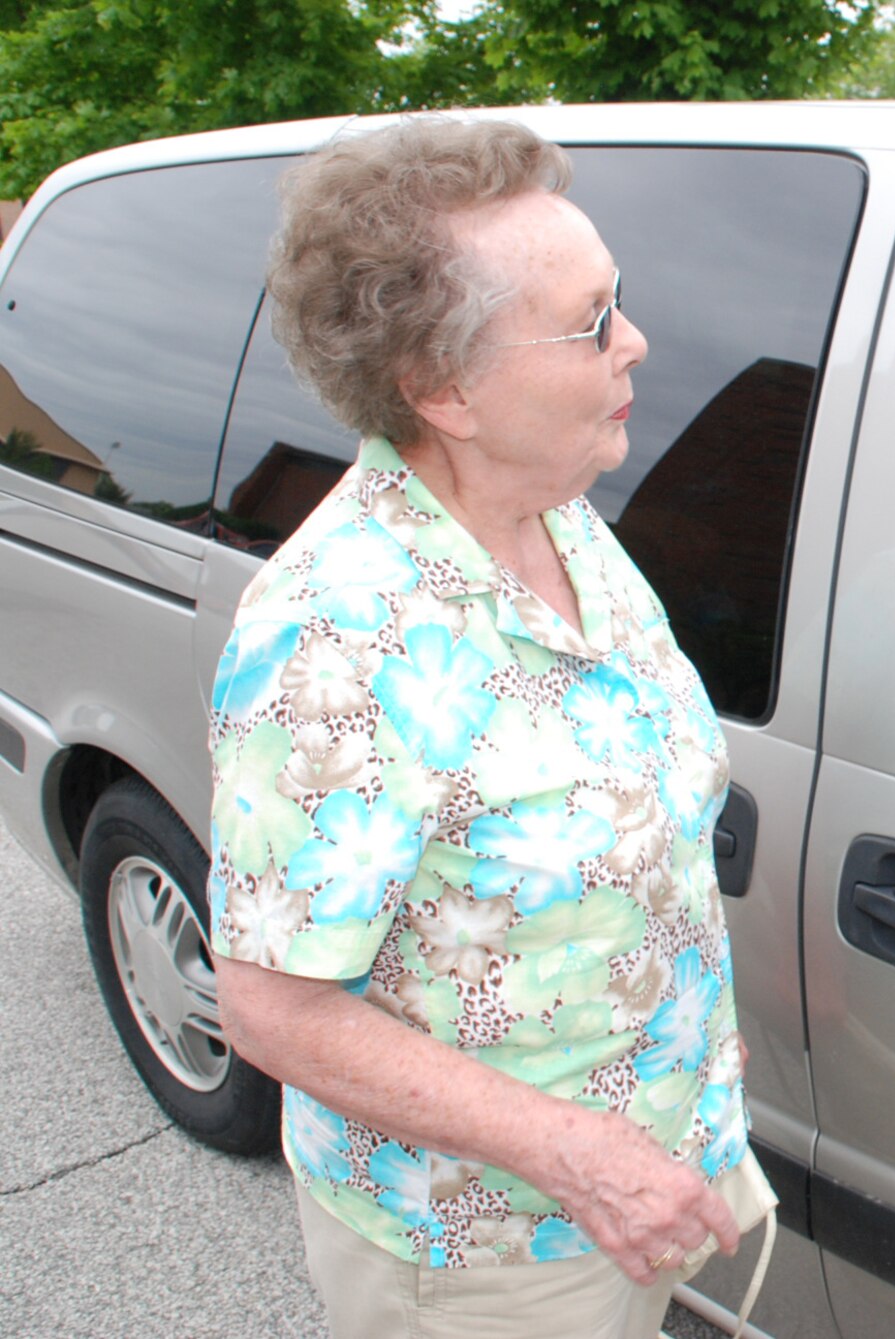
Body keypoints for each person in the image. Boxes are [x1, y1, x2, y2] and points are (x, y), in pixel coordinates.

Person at [206, 118, 774, 1339]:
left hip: (643, 1171)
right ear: (442, 390)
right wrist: (583, 1156)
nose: (635, 341)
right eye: (588, 322)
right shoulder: (335, 639)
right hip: (488, 1249)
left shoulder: (561, 513)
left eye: (619, 300)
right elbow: (270, 1006)